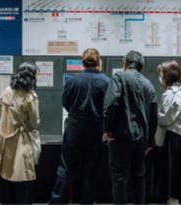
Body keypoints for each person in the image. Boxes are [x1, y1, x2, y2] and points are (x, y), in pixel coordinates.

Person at [49, 48, 109, 204]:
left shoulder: (73, 81)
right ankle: (86, 202)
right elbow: (109, 108)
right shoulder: (106, 82)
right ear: (99, 62)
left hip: (74, 131)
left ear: (83, 62)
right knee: (90, 171)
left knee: (66, 169)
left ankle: (57, 201)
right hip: (96, 132)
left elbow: (66, 103)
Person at [103, 50, 158, 204]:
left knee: (119, 178)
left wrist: (107, 129)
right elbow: (154, 115)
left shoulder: (119, 77)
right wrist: (150, 142)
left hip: (120, 137)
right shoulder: (149, 84)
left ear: (124, 63)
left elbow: (111, 105)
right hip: (141, 140)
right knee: (139, 177)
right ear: (141, 66)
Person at [0, 62, 40, 204]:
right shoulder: (31, 96)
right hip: (22, 142)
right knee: (23, 179)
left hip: (5, 142)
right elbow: (34, 122)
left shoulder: (6, 91)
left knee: (5, 179)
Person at [152, 61, 181, 205]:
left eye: (161, 75)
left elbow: (165, 119)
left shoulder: (171, 93)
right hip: (180, 139)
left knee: (170, 178)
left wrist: (154, 114)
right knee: (176, 178)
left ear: (167, 76)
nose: (160, 78)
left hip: (171, 140)